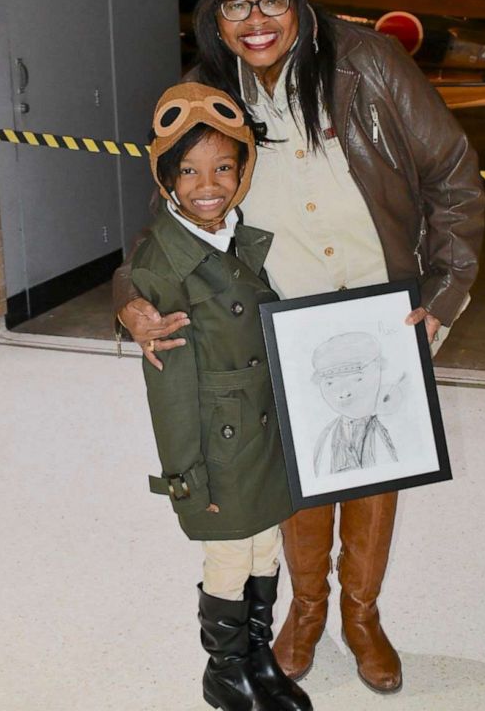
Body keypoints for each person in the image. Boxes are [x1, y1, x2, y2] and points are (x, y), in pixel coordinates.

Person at [114, 0, 485, 695]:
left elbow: (451, 174)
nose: (255, 22)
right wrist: (131, 301)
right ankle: (307, 610)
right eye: (234, 5)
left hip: (384, 311)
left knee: (375, 468)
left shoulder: (370, 63)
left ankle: (361, 615)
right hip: (281, 317)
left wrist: (444, 293)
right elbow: (172, 214)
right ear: (212, 16)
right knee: (297, 470)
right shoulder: (210, 91)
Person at [133, 80, 312, 711]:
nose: (207, 185)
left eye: (223, 166)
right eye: (188, 170)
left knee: (266, 545)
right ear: (165, 178)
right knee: (231, 555)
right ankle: (224, 670)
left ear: (243, 170)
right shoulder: (166, 262)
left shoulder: (240, 236)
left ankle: (258, 659)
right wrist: (190, 480)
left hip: (262, 432)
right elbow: (172, 394)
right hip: (218, 447)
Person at [311, 332, 399, 476]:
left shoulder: (396, 428)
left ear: (378, 372)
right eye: (330, 383)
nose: (343, 392)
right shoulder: (324, 438)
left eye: (356, 379)